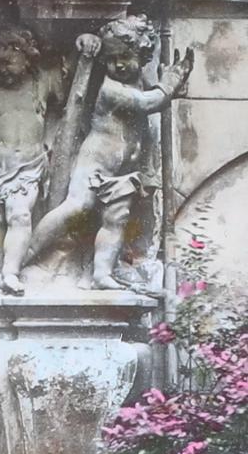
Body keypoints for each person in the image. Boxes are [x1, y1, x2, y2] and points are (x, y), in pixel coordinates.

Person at [26, 15, 194, 289]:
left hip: (122, 171)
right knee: (75, 207)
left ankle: (101, 274)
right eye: (111, 59)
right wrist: (169, 84)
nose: (118, 64)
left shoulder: (137, 83)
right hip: (95, 164)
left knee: (116, 219)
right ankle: (26, 256)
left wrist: (172, 88)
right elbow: (147, 102)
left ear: (143, 55)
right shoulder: (111, 88)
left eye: (125, 57)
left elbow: (155, 98)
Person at [0, 25, 88, 295]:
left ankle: (10, 272)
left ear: (25, 55)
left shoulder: (42, 81)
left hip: (28, 163)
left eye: (7, 62)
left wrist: (84, 41)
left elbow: (71, 77)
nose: (2, 70)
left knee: (20, 215)